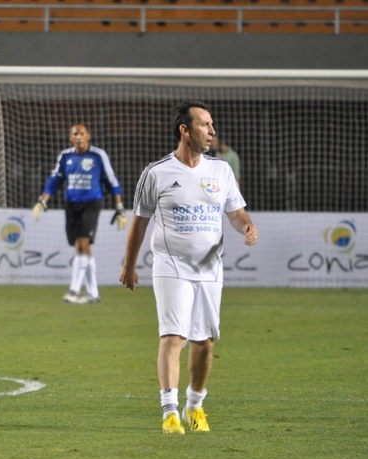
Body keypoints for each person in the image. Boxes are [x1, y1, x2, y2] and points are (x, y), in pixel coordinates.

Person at [119, 101, 258, 434]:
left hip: (210, 270)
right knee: (173, 337)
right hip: (171, 266)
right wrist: (129, 266)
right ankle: (169, 411)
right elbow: (139, 223)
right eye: (205, 125)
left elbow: (235, 213)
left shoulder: (220, 171)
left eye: (212, 124)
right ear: (185, 130)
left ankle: (194, 406)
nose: (212, 131)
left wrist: (248, 226)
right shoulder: (157, 173)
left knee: (205, 343)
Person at [33, 123, 127, 304]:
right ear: (70, 137)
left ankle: (74, 290)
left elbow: (111, 180)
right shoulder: (65, 156)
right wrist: (43, 199)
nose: (78, 137)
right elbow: (55, 180)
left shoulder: (98, 156)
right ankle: (93, 293)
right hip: (71, 205)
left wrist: (120, 207)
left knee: (83, 242)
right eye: (75, 134)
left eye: (81, 134)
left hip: (92, 203)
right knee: (79, 246)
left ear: (88, 136)